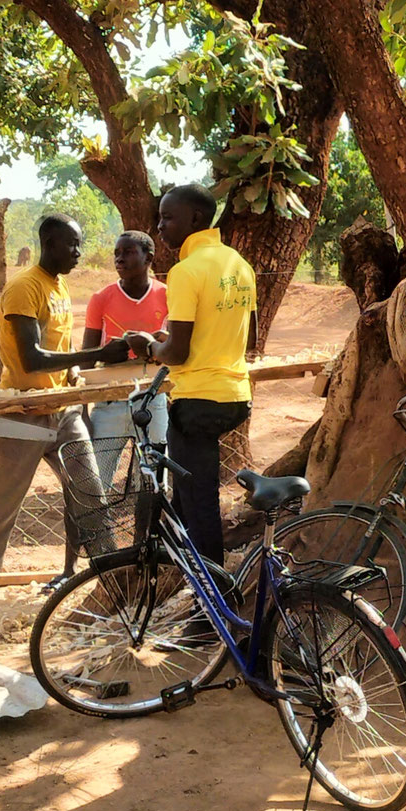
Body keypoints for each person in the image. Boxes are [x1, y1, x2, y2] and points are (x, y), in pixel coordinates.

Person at [0, 214, 119, 623]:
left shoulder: (59, 285)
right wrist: (95, 356)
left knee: (91, 496)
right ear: (48, 242)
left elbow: (60, 350)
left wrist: (77, 375)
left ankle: (116, 581)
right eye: (71, 245)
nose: (78, 253)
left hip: (64, 410)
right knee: (3, 505)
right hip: (23, 414)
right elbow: (32, 357)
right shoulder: (24, 288)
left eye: (80, 244)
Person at [123, 185, 256, 565]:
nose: (159, 226)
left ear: (195, 219)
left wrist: (148, 346)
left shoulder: (185, 271)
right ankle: (190, 582)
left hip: (197, 401)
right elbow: (248, 337)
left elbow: (177, 354)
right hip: (235, 394)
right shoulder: (239, 265)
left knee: (199, 507)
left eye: (167, 217)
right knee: (183, 498)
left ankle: (213, 605)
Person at [80, 230, 169, 484]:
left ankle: (149, 525)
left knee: (154, 482)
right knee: (98, 481)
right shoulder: (101, 299)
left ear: (148, 258)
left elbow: (173, 348)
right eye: (116, 254)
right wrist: (83, 410)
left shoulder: (166, 295)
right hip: (109, 401)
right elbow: (87, 359)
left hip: (153, 399)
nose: (119, 259)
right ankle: (98, 525)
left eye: (128, 252)